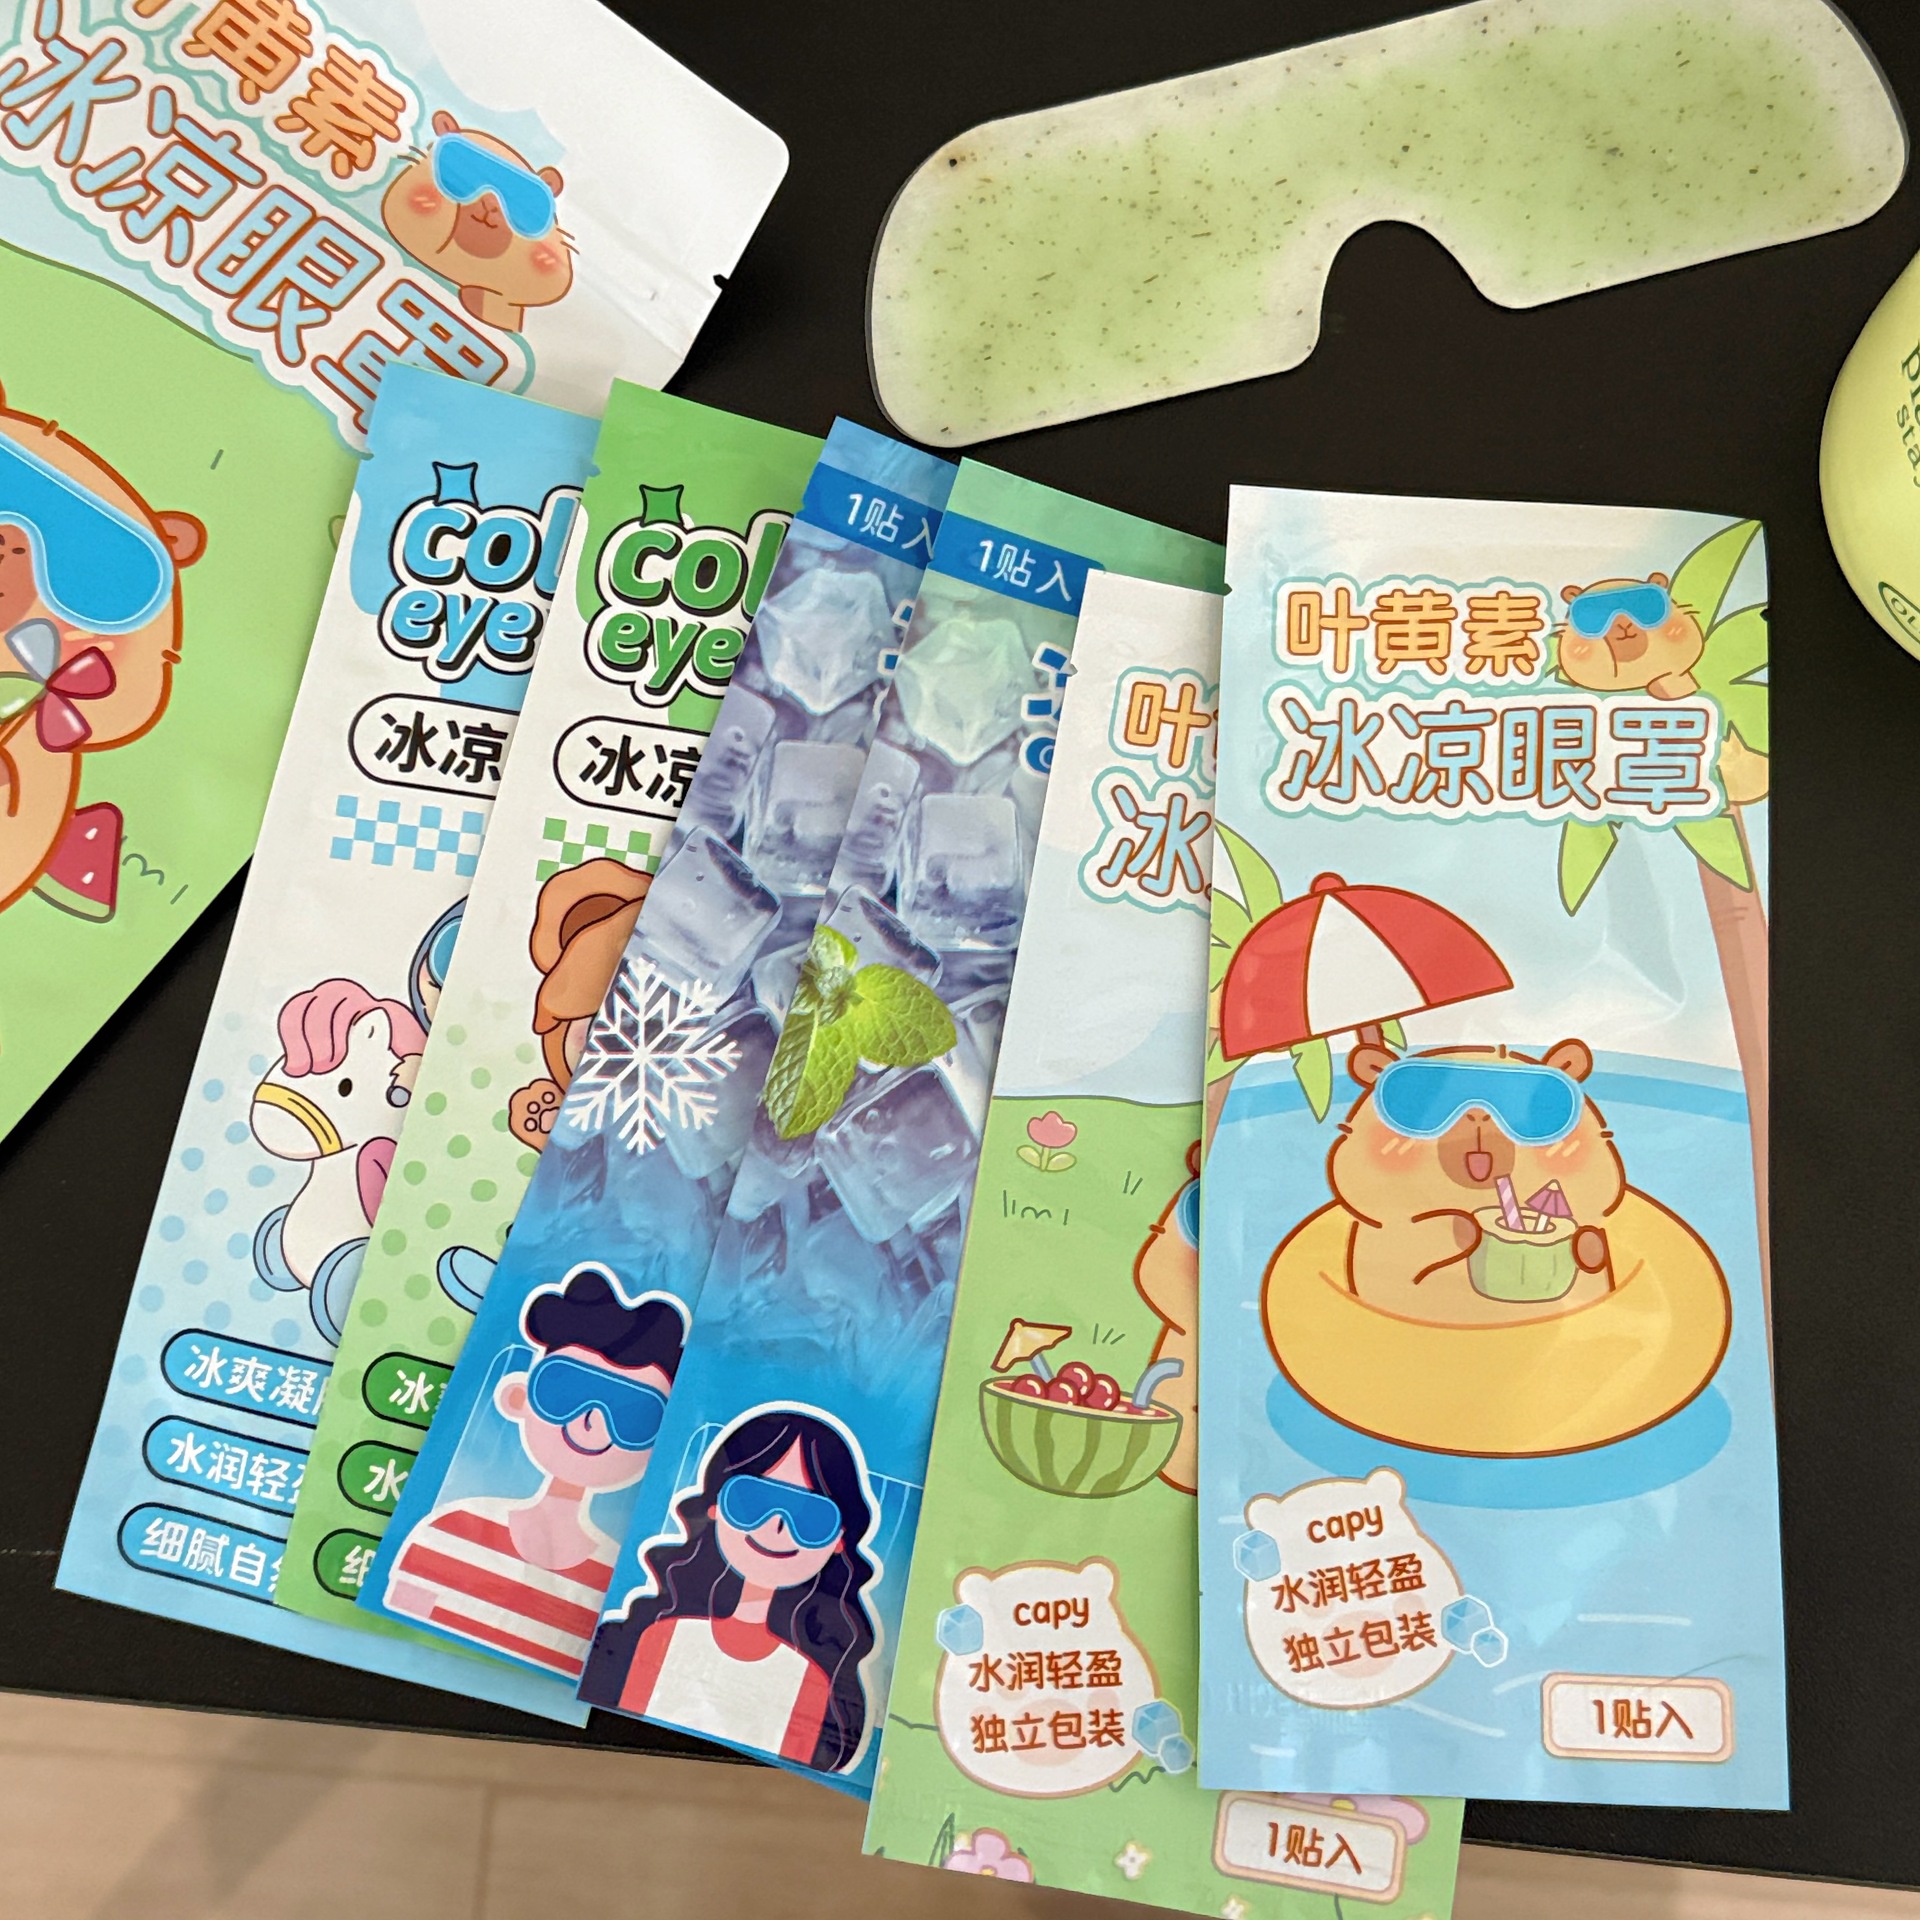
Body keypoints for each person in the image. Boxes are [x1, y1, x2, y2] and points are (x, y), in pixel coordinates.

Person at [383, 1265, 683, 1676]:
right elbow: (397, 1633)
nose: (592, 1421)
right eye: (565, 1390)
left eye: (632, 1414)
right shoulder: (447, 1531)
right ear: (518, 1396)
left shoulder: (615, 1587)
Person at [588, 1408, 878, 1772]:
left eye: (810, 1517)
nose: (777, 1525)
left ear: (839, 1540)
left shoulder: (814, 1682)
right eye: (753, 1501)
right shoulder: (658, 1636)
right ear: (714, 1507)